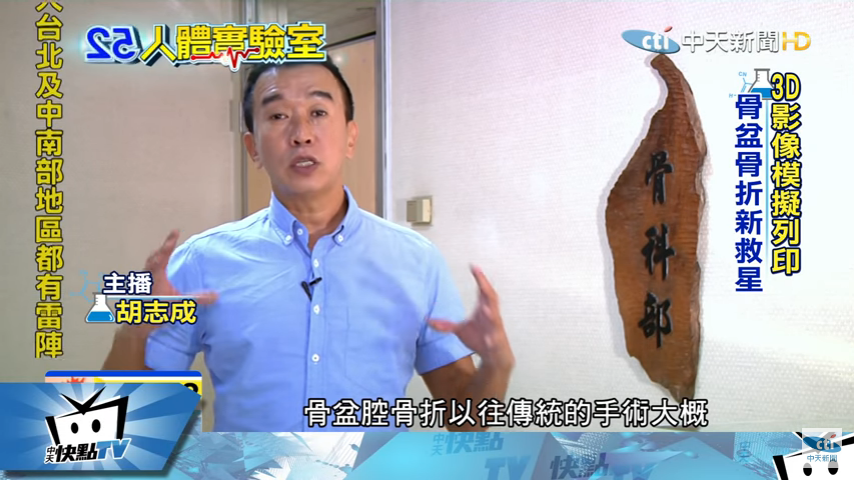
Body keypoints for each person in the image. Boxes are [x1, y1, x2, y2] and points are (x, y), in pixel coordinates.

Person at [102, 58, 515, 432]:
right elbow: (128, 427)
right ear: (253, 148)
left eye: (318, 113)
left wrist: (497, 364)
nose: (301, 134)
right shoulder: (202, 261)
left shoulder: (416, 260)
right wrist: (132, 333)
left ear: (350, 137)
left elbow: (466, 421)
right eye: (278, 115)